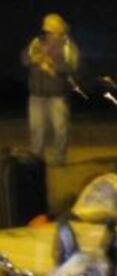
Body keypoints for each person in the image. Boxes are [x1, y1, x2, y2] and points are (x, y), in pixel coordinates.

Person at [21, 13, 79, 165]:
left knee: (60, 129)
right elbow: (24, 59)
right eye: (48, 30)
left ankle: (59, 159)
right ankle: (36, 159)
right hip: (36, 94)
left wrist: (52, 65)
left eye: (52, 29)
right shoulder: (37, 42)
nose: (50, 32)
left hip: (57, 95)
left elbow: (72, 66)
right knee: (36, 129)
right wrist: (33, 59)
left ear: (60, 29)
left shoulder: (67, 45)